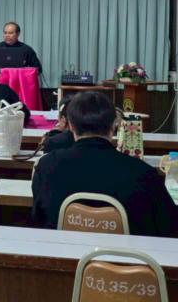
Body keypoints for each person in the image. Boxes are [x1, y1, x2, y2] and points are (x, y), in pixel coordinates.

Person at [32, 91, 178, 237]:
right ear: (114, 125)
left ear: (70, 125)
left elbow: (38, 220)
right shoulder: (142, 173)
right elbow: (170, 227)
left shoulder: (47, 166)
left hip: (63, 250)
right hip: (124, 252)